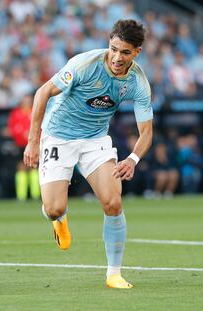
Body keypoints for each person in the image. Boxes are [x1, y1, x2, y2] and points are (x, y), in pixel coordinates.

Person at [24, 19, 153, 289]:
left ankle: (114, 274)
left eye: (125, 52)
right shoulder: (84, 65)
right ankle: (58, 220)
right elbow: (42, 92)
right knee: (53, 207)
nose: (117, 57)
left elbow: (147, 132)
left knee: (113, 202)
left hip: (95, 140)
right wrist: (33, 141)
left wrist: (132, 159)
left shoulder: (138, 82)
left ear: (137, 52)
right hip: (58, 136)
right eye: (113, 49)